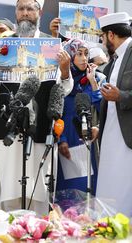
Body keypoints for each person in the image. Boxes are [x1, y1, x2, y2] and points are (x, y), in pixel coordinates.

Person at [0, 0, 73, 214]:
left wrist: (65, 70)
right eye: (21, 8)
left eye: (30, 8)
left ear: (39, 12)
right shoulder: (4, 45)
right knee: (9, 192)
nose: (25, 13)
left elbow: (63, 90)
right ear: (15, 12)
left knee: (39, 191)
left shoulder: (52, 45)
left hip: (41, 130)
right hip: (8, 128)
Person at [56, 39, 103, 195]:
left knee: (88, 184)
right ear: (70, 56)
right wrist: (61, 139)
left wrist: (93, 81)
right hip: (66, 135)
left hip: (86, 136)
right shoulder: (61, 78)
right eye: (79, 54)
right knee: (67, 188)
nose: (84, 58)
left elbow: (101, 107)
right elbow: (56, 110)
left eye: (86, 54)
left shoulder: (95, 78)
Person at [96, 12, 132, 217]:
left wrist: (122, 96)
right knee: (111, 188)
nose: (102, 42)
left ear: (110, 35)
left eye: (102, 37)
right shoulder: (114, 60)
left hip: (128, 139)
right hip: (110, 138)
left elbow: (119, 96)